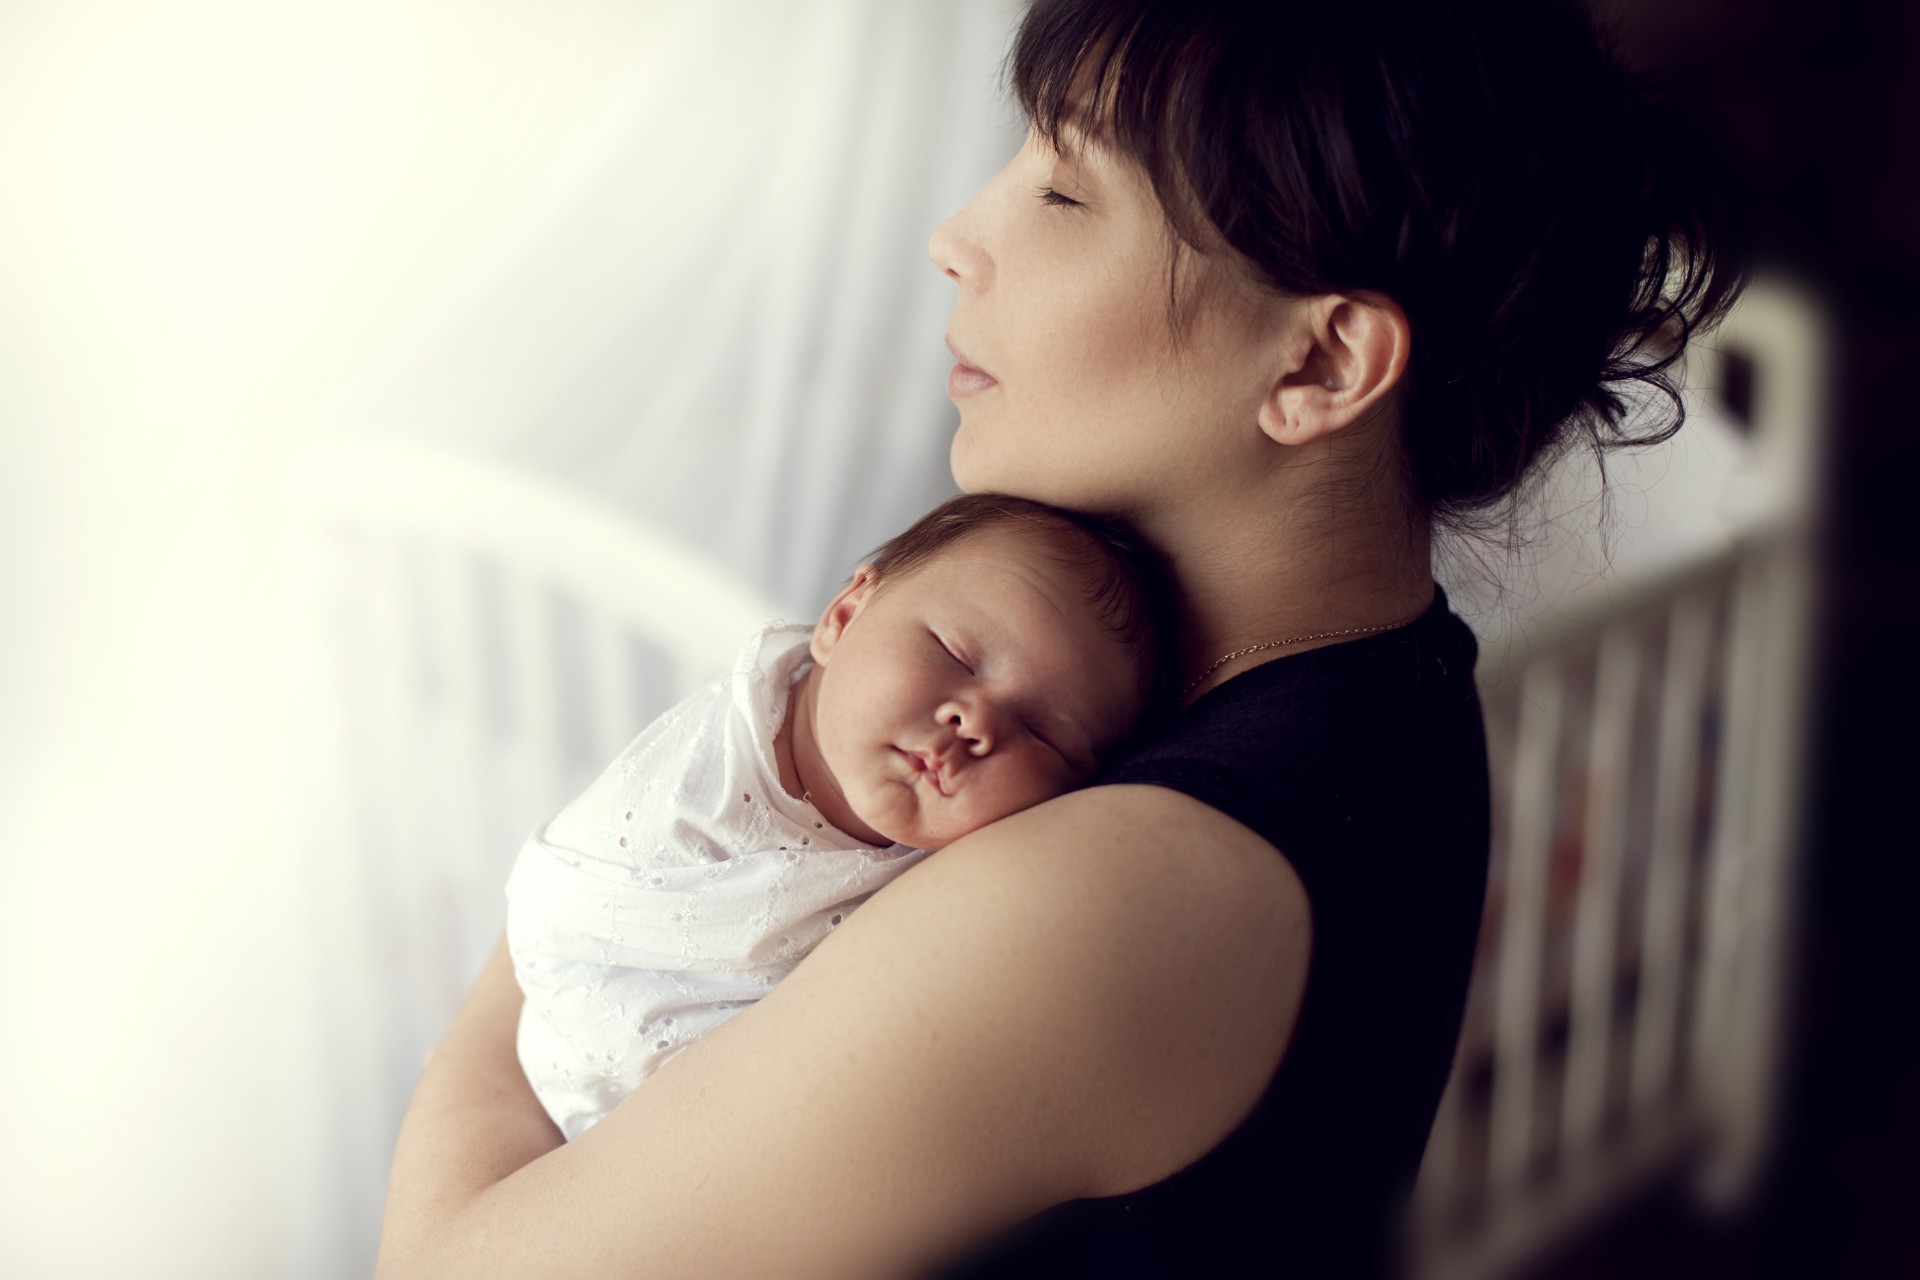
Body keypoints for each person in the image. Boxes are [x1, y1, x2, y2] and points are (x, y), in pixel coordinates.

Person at [376, 1, 1749, 1276]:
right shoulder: (1385, 678)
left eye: (1061, 192)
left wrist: (583, 892)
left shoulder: (1114, 894)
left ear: (1321, 366)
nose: (957, 235)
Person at [505, 493, 1174, 1142]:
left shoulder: (981, 877)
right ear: (846, 616)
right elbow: (563, 922)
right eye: (957, 656)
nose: (975, 720)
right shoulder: (695, 790)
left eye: (1042, 733)